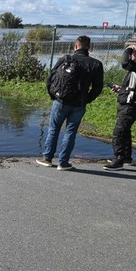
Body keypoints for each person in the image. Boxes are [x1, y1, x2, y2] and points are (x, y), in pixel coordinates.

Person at [36, 35, 104, 170]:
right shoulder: (96, 64)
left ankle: (47, 158)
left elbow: (51, 78)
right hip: (79, 104)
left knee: (54, 129)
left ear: (76, 46)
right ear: (89, 47)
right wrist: (87, 99)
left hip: (60, 101)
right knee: (71, 132)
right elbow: (98, 87)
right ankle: (63, 162)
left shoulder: (65, 59)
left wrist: (54, 95)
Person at [104, 43, 136, 170]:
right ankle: (126, 157)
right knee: (125, 129)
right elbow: (134, 83)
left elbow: (125, 64)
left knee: (119, 130)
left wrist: (127, 49)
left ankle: (118, 158)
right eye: (131, 52)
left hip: (133, 102)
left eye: (133, 52)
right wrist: (122, 88)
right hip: (128, 98)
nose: (131, 54)